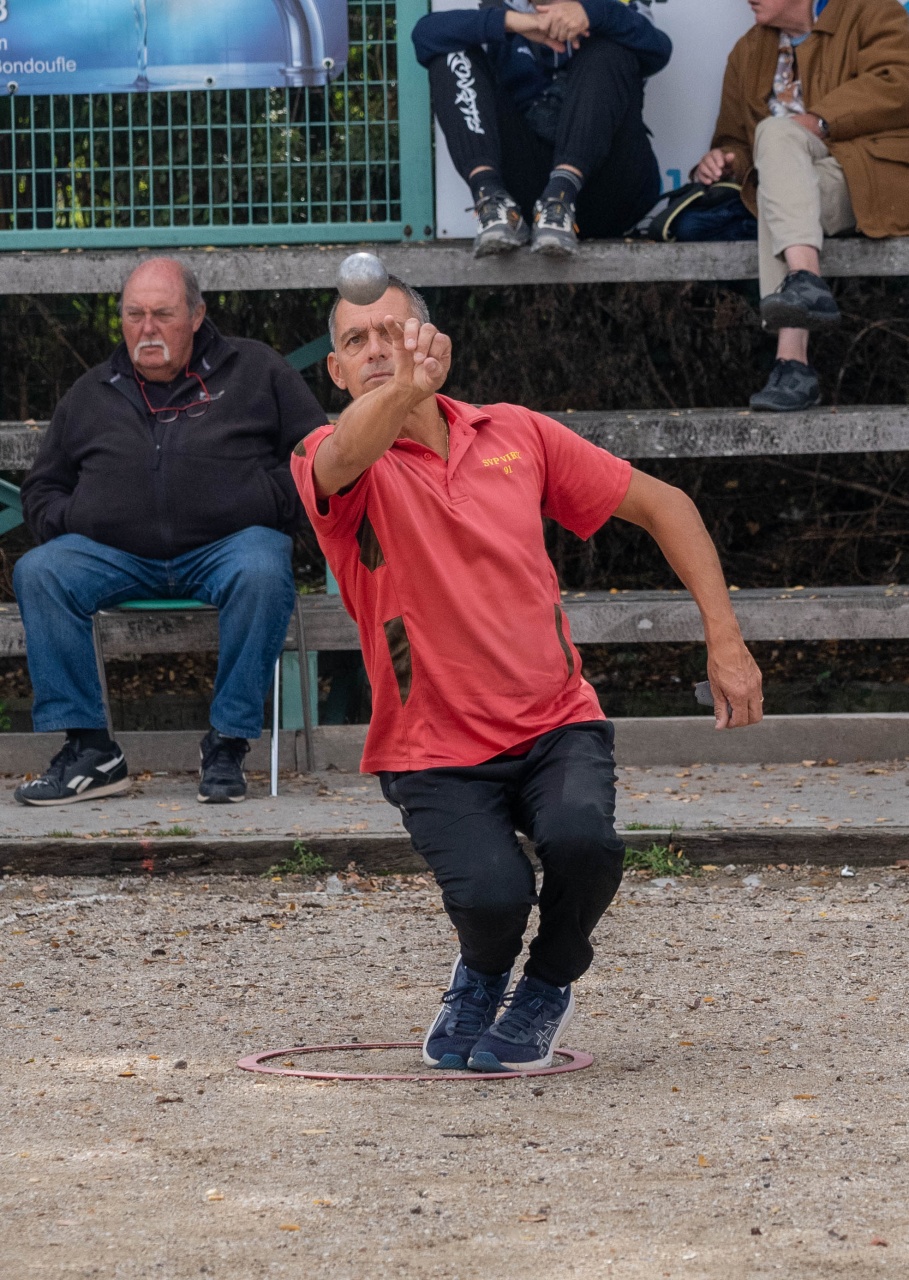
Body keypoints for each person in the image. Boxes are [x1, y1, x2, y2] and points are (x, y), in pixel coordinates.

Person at [291, 276, 763, 1073]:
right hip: (429, 744)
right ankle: (480, 975)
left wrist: (725, 640)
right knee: (492, 897)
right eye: (355, 341)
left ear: (431, 339)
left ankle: (546, 983)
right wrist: (402, 389)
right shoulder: (327, 459)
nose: (377, 349)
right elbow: (346, 452)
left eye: (392, 331)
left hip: (554, 720)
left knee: (584, 844)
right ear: (336, 371)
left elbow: (666, 505)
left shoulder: (514, 432)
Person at [13, 257, 324, 807]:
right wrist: (78, 516)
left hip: (228, 548)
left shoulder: (255, 369)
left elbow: (316, 455)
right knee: (40, 571)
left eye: (162, 314)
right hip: (115, 555)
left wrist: (266, 499)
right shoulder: (92, 391)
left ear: (197, 315)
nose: (147, 329)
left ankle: (227, 744)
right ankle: (90, 751)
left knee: (262, 566)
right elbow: (42, 488)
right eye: (134, 315)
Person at [693, 0, 909, 412]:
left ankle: (793, 362)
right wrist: (724, 160)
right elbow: (734, 139)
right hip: (799, 190)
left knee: (776, 146)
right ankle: (804, 284)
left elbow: (899, 83)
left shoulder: (872, 10)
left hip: (867, 175)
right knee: (774, 170)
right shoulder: (747, 50)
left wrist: (822, 120)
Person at [411, 0, 671, 257]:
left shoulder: (612, 7)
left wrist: (591, 13)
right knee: (452, 53)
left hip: (611, 191)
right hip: (528, 196)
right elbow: (425, 34)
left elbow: (659, 49)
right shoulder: (501, 8)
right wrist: (514, 23)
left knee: (610, 46)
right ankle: (492, 201)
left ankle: (561, 195)